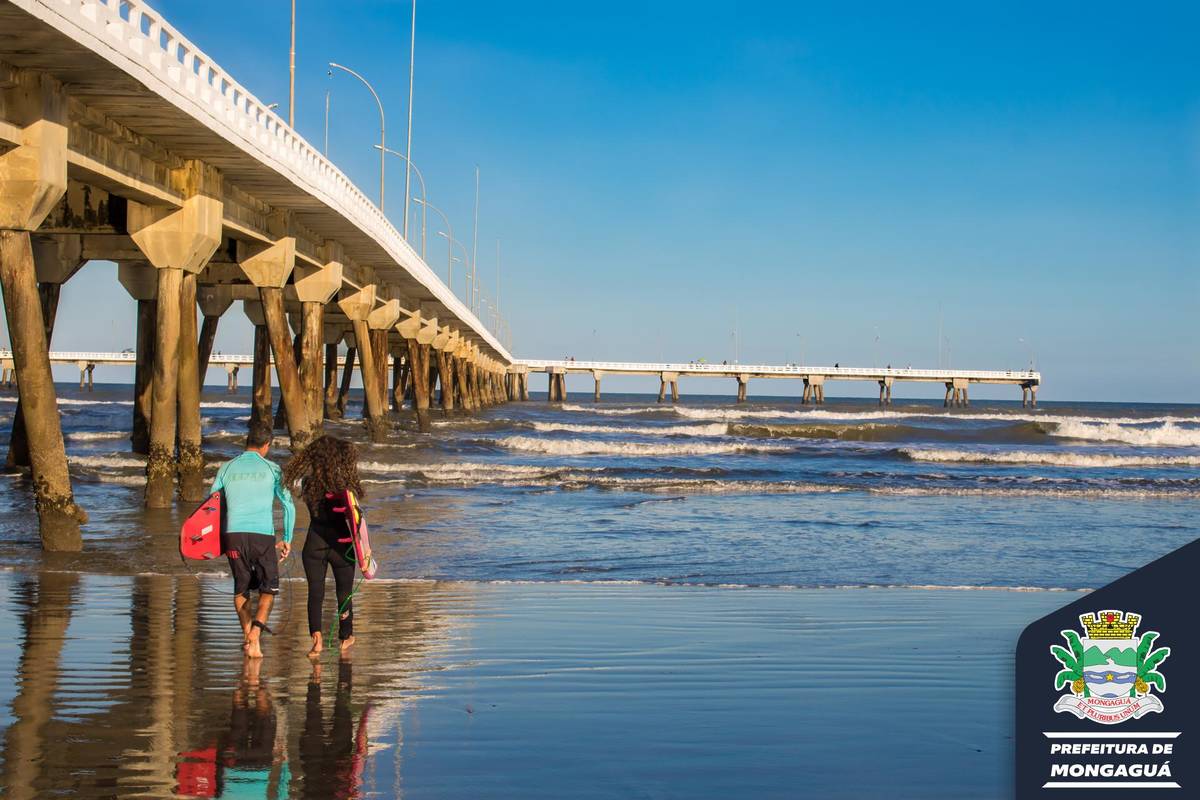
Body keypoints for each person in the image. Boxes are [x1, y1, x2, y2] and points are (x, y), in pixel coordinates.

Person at [211, 427, 295, 659]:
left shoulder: (226, 468)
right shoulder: (273, 469)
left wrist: (213, 539)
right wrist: (287, 538)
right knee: (269, 589)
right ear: (267, 444)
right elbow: (288, 505)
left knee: (241, 587)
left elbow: (212, 503)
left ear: (246, 443)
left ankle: (248, 635)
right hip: (262, 537)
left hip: (233, 535)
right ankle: (256, 632)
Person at [282, 435, 367, 657]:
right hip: (342, 546)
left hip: (314, 544)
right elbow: (356, 516)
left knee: (315, 593)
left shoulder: (309, 483)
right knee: (344, 593)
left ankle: (317, 641)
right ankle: (346, 637)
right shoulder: (345, 485)